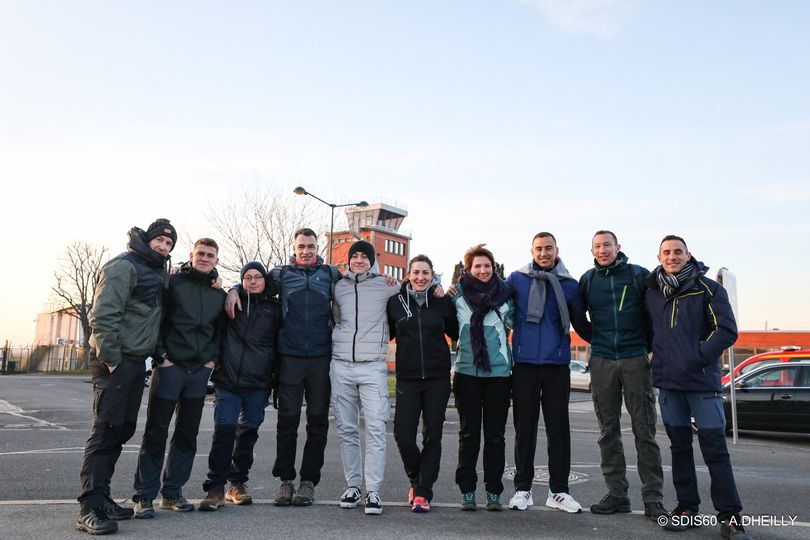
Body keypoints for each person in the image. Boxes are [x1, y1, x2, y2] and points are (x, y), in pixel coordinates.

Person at [76, 218, 177, 536]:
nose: (164, 246)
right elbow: (103, 316)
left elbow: (151, 318)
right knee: (105, 432)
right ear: (148, 240)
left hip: (134, 362)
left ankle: (102, 497)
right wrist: (112, 360)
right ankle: (89, 507)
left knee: (120, 430)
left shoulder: (155, 269)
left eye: (169, 244)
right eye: (159, 240)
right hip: (115, 362)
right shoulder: (124, 265)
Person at [225, 228, 339, 507]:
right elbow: (254, 282)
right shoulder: (281, 274)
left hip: (321, 358)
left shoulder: (331, 274)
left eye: (311, 246)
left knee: (317, 422)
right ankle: (285, 480)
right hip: (289, 358)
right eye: (301, 246)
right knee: (288, 421)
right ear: (294, 248)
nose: (306, 251)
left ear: (317, 248)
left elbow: (361, 280)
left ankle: (308, 482)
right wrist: (233, 289)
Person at [647, 235, 751, 539]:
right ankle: (686, 509)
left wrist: (697, 356)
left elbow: (726, 330)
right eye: (667, 252)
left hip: (702, 383)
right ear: (659, 257)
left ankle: (730, 518)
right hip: (669, 385)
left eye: (678, 252)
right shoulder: (652, 292)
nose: (672, 256)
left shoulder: (708, 289)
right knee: (679, 449)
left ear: (688, 255)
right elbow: (648, 330)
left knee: (715, 450)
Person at [132, 238, 226, 519]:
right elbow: (158, 319)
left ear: (216, 260)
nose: (205, 258)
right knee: (156, 432)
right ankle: (144, 496)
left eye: (210, 255)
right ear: (191, 255)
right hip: (170, 368)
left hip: (199, 372)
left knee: (187, 434)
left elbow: (220, 331)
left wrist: (212, 360)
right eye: (201, 253)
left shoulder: (218, 293)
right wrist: (161, 356)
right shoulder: (173, 283)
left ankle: (172, 492)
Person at [578, 230, 667, 519]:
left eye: (607, 245)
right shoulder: (587, 280)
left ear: (618, 247)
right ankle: (617, 495)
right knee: (608, 431)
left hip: (634, 359)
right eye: (597, 246)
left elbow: (656, 314)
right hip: (602, 360)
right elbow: (578, 317)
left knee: (644, 431)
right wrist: (598, 340)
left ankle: (653, 498)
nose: (602, 250)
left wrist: (644, 345)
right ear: (592, 251)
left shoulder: (638, 275)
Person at [506, 232, 588, 513]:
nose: (544, 253)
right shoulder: (516, 279)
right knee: (524, 430)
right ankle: (523, 489)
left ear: (556, 250)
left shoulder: (570, 285)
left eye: (548, 248)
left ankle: (559, 491)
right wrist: (457, 289)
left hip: (557, 366)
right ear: (532, 251)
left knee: (559, 430)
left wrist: (609, 341)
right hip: (525, 365)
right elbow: (491, 297)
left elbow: (581, 322)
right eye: (539, 248)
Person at [198, 261, 281, 511]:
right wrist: (233, 289)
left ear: (265, 281)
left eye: (257, 277)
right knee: (223, 433)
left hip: (258, 383)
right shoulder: (230, 302)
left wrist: (276, 381)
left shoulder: (275, 309)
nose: (252, 281)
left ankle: (237, 484)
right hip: (228, 381)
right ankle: (215, 487)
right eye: (247, 277)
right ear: (242, 281)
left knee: (247, 435)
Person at [331, 240, 401, 515]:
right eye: (355, 256)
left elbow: (419, 285)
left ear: (372, 261)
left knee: (375, 429)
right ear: (349, 260)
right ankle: (353, 486)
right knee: (347, 429)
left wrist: (439, 285)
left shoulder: (387, 285)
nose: (359, 260)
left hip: (372, 367)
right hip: (341, 365)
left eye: (364, 256)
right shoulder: (338, 286)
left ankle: (373, 490)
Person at [387, 254, 459, 513]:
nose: (420, 277)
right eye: (416, 272)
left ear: (432, 275)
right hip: (407, 378)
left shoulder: (441, 301)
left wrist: (452, 294)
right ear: (408, 275)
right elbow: (386, 332)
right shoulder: (395, 302)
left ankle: (422, 493)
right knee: (403, 436)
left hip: (437, 379)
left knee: (432, 436)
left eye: (425, 273)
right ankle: (417, 480)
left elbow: (456, 332)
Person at [451, 244, 513, 512]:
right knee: (469, 435)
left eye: (487, 265)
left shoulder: (506, 296)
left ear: (494, 268)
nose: (483, 270)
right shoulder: (456, 295)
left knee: (495, 436)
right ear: (468, 269)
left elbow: (517, 324)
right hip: (466, 373)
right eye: (477, 266)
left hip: (499, 375)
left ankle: (493, 491)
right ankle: (467, 491)